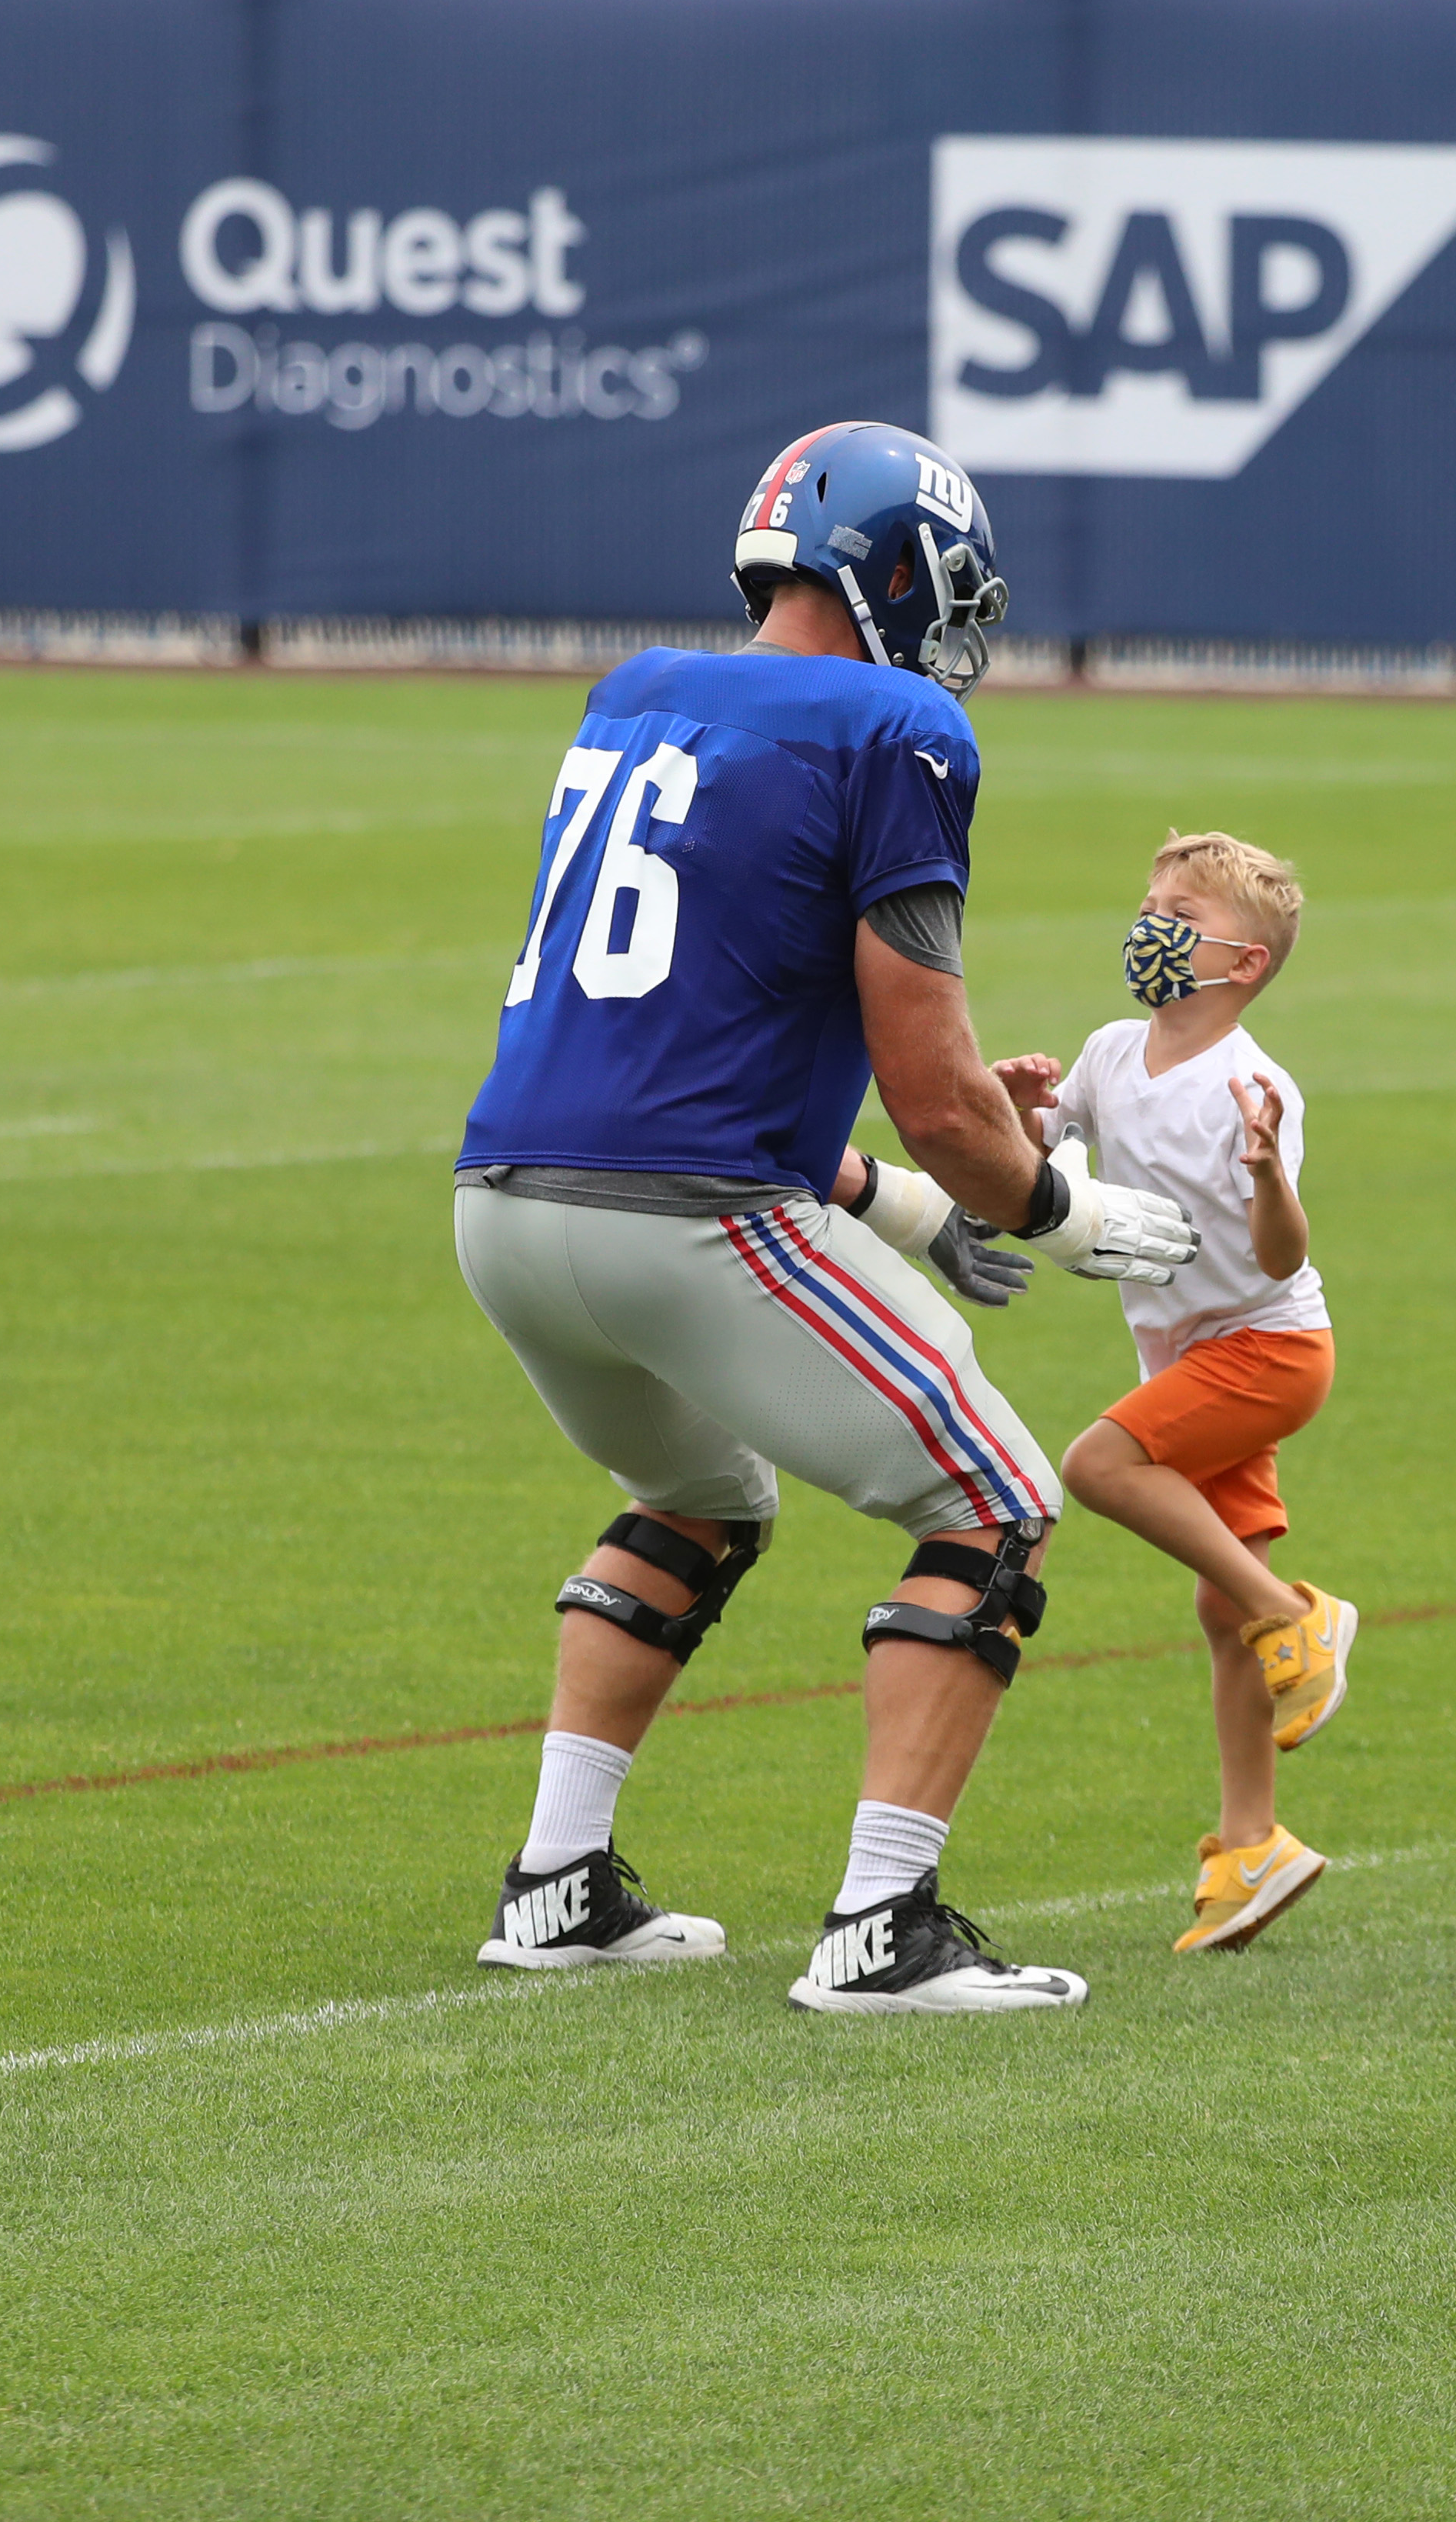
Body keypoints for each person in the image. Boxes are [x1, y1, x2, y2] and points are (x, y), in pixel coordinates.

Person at [450, 419, 1204, 2015]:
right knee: (994, 1501)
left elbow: (673, 1040)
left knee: (699, 1495)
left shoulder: (639, 693)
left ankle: (555, 1885)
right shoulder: (896, 725)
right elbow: (933, 1085)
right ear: (903, 568)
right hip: (682, 1222)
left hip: (506, 1207)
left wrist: (912, 1201)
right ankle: (882, 1929)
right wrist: (1049, 1204)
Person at [992, 831, 1354, 1957]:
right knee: (1215, 1602)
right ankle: (1254, 1848)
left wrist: (1262, 1173)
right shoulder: (1109, 1053)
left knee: (1099, 1465)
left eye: (1178, 916)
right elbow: (1035, 1173)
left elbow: (1284, 1255)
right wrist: (1018, 1108)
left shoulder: (1252, 1085)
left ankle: (1303, 1621)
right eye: (1150, 904)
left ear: (1243, 964)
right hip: (1189, 1357)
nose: (1149, 927)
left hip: (1266, 1348)